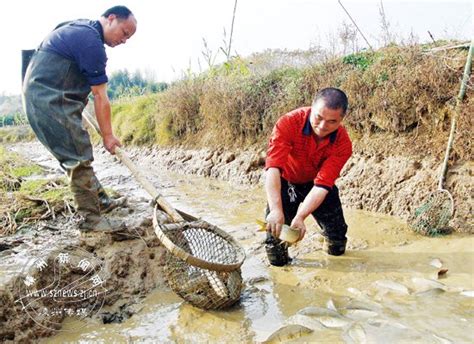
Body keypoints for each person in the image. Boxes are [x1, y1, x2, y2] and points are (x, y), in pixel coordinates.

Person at [22, 6, 137, 232]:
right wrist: (108, 136)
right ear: (111, 18)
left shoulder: (78, 27)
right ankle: (92, 221)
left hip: (44, 97)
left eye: (129, 37)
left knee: (78, 153)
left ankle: (102, 201)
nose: (124, 40)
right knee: (78, 158)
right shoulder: (91, 42)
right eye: (124, 33)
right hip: (50, 102)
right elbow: (100, 96)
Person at [264, 87, 353, 266]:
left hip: (317, 186)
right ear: (311, 108)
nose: (322, 126)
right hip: (286, 182)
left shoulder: (343, 144)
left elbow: (322, 185)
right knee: (274, 246)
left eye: (332, 121)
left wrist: (301, 216)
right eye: (318, 117)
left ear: (341, 119)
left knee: (337, 240)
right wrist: (275, 209)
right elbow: (273, 168)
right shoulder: (288, 123)